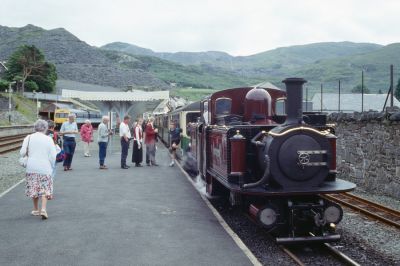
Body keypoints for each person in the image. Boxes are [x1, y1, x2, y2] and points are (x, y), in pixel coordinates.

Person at [20, 119, 57, 220]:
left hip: (31, 167)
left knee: (34, 187)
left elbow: (22, 153)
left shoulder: (29, 137)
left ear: (35, 127)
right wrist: (51, 165)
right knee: (44, 188)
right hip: (45, 167)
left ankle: (36, 209)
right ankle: (43, 209)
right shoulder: (48, 139)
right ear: (45, 128)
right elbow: (53, 156)